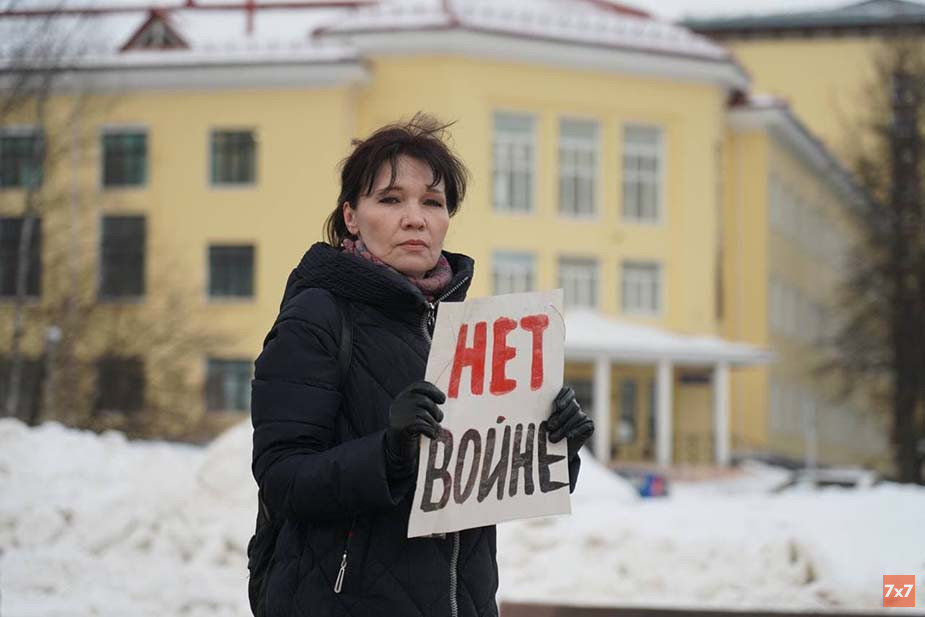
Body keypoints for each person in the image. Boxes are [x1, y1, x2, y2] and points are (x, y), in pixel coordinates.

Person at [250, 113, 594, 617]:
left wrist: (553, 445)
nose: (415, 218)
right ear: (351, 216)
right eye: (391, 200)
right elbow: (281, 477)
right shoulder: (317, 316)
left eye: (432, 202)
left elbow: (483, 480)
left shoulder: (469, 329)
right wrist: (388, 454)